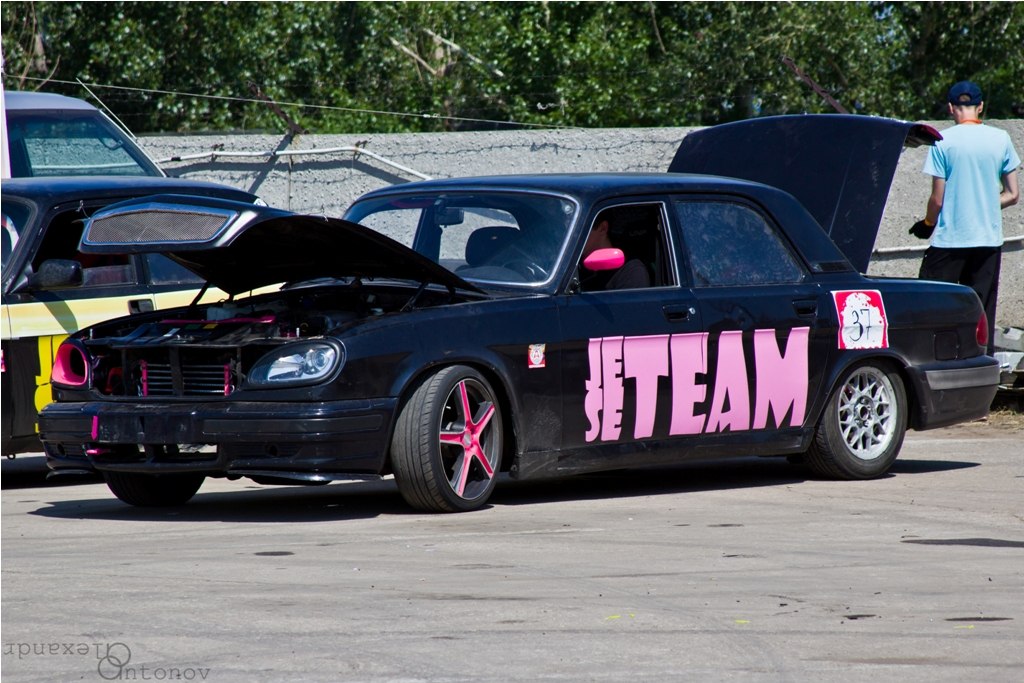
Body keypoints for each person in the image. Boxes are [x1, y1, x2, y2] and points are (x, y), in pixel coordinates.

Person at [911, 80, 1020, 354]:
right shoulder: (1001, 139)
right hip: (987, 241)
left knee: (933, 307)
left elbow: (937, 199)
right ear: (980, 106)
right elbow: (1012, 194)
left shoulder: (942, 141)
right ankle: (979, 365)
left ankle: (938, 361)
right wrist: (984, 203)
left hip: (949, 241)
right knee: (981, 313)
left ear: (951, 108)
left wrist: (927, 224)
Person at [580, 217, 651, 290]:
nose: (574, 236)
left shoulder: (631, 271)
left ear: (603, 228)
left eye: (579, 230)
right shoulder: (575, 265)